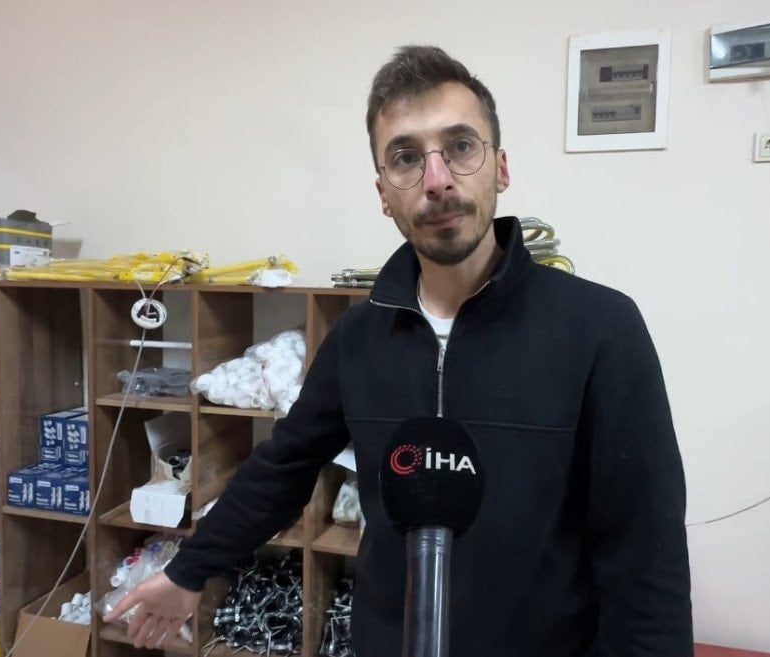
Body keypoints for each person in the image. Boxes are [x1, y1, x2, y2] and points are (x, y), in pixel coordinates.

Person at [104, 45, 693, 656]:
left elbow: (645, 551)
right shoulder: (359, 338)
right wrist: (189, 570)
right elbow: (284, 468)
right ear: (384, 192)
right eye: (406, 157)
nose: (437, 179)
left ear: (501, 167)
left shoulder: (599, 328)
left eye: (460, 146)